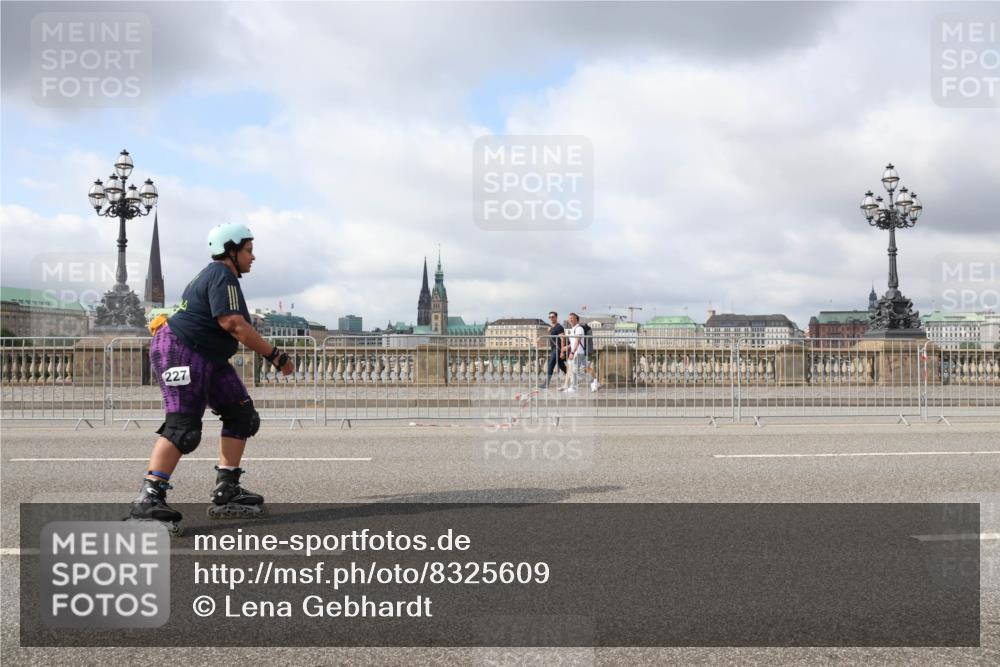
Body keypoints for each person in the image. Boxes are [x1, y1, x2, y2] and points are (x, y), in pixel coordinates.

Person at [129, 222, 294, 530]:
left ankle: (227, 488)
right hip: (180, 350)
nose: (253, 257)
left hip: (207, 353)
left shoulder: (222, 276)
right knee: (184, 428)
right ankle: (148, 499)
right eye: (248, 250)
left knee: (241, 415)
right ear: (230, 251)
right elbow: (234, 324)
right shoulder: (221, 275)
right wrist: (275, 355)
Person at [563, 312, 600, 393]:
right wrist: (568, 347)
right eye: (569, 318)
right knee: (586, 368)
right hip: (578, 352)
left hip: (578, 352)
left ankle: (576, 386)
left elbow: (578, 340)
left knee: (575, 370)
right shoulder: (573, 329)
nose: (571, 319)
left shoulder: (579, 329)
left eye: (572, 318)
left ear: (577, 319)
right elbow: (574, 342)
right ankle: (595, 382)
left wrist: (572, 352)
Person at [539, 310, 566, 389]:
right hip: (554, 348)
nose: (551, 318)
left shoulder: (559, 327)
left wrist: (562, 351)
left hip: (557, 349)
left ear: (556, 317)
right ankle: (572, 378)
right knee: (562, 366)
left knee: (550, 364)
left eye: (552, 317)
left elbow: (562, 339)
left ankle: (546, 384)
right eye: (549, 317)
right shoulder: (551, 327)